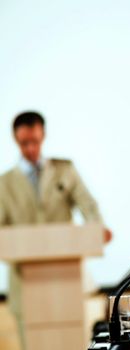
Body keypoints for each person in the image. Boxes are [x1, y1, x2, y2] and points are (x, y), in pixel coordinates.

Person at [0, 111, 111, 349]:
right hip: (24, 283)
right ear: (15, 140)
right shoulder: (4, 183)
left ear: (43, 136)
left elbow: (88, 206)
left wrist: (97, 228)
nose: (30, 148)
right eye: (23, 143)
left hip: (68, 282)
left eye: (35, 141)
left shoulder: (64, 170)